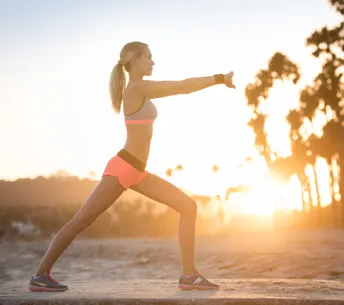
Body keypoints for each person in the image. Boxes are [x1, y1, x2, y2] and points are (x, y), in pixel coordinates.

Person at [28, 41, 236, 292]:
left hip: (137, 171)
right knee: (82, 219)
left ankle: (189, 275)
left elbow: (181, 87)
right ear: (135, 60)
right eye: (149, 57)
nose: (153, 61)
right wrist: (219, 78)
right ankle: (40, 275)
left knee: (187, 206)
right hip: (123, 167)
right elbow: (183, 86)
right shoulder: (137, 88)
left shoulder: (139, 89)